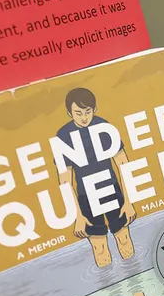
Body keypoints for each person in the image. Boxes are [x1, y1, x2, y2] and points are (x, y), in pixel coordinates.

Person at [55, 88, 136, 268]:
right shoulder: (63, 136)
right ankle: (113, 293)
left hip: (112, 190)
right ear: (70, 112)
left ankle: (139, 292)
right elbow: (65, 179)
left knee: (124, 240)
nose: (84, 117)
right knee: (99, 250)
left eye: (88, 112)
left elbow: (123, 163)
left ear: (94, 109)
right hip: (86, 198)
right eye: (78, 113)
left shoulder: (104, 127)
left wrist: (128, 202)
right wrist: (78, 215)